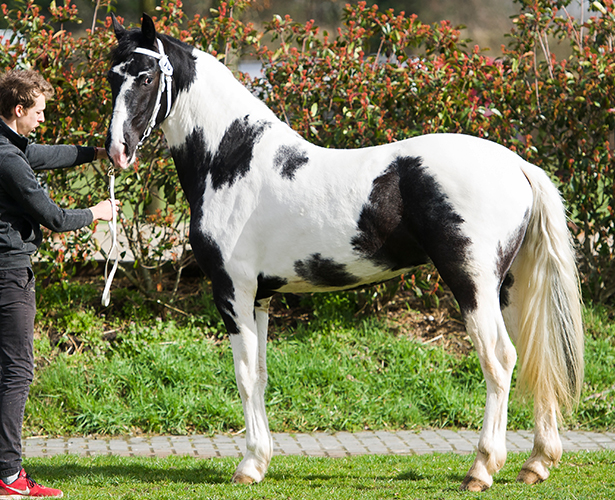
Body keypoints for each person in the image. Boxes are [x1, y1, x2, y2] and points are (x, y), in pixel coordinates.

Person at [0, 69, 118, 498]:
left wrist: (96, 152)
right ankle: (9, 478)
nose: (43, 119)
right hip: (9, 275)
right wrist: (97, 212)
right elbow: (51, 217)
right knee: (16, 372)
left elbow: (45, 154)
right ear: (19, 109)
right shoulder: (8, 159)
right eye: (39, 112)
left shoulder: (8, 146)